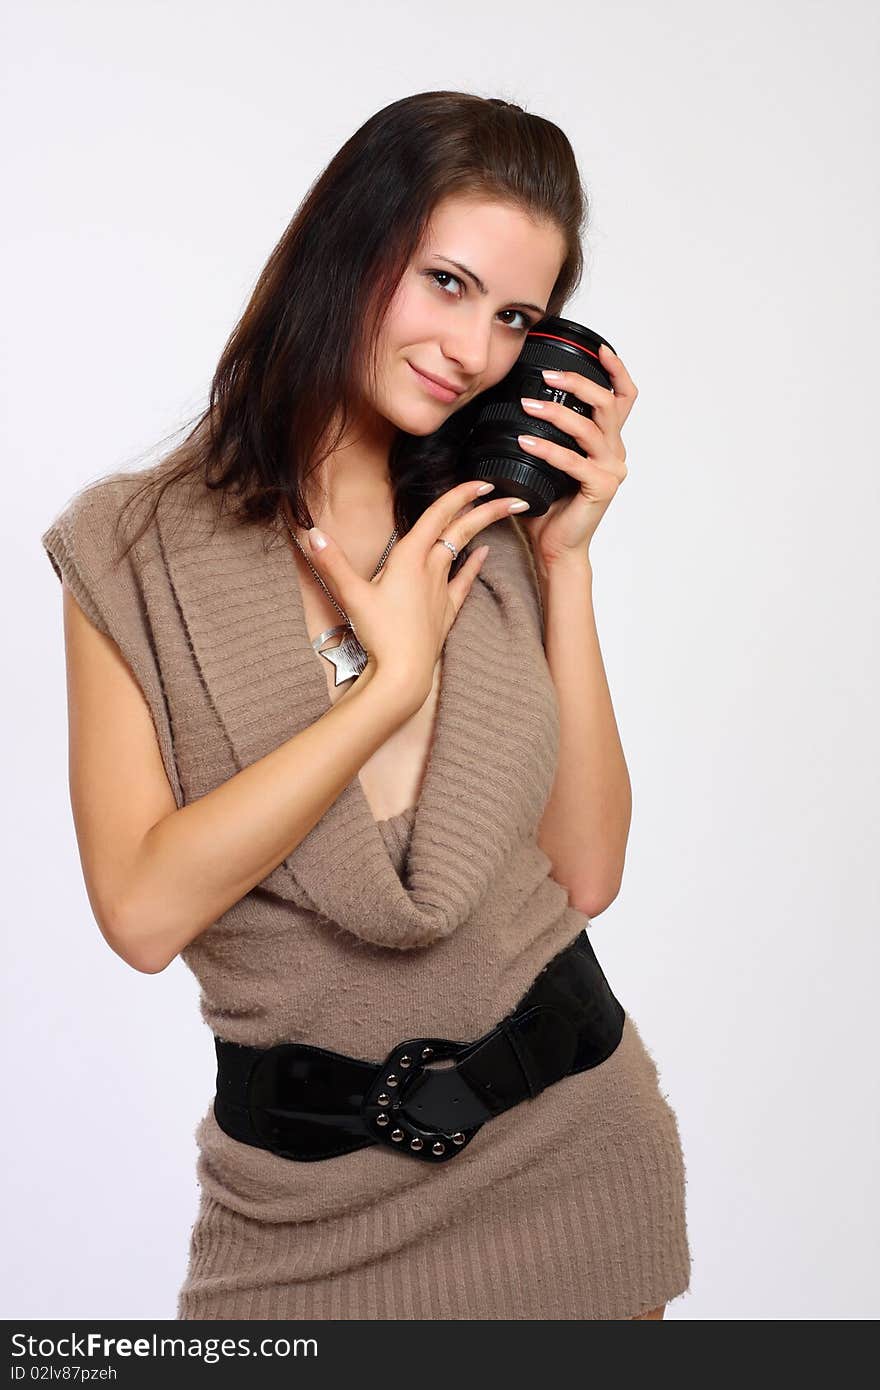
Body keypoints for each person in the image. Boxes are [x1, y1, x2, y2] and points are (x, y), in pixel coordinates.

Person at [41, 90, 691, 1321]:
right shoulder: (128, 550)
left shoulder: (492, 534)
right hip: (298, 1222)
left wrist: (567, 564)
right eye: (444, 283)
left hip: (573, 1158)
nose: (474, 350)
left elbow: (586, 868)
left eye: (516, 317)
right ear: (351, 251)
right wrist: (385, 683)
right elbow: (140, 909)